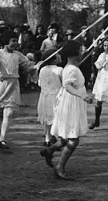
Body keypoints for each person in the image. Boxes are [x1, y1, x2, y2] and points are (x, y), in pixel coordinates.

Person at [39, 40, 93, 180]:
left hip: (71, 102)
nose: (82, 53)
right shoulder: (71, 69)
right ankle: (60, 167)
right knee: (73, 139)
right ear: (76, 53)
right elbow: (67, 86)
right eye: (80, 51)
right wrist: (83, 95)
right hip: (72, 103)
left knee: (65, 137)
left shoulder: (70, 67)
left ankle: (49, 150)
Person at [0, 31, 31, 150]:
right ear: (5, 42)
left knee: (8, 113)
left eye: (16, 40)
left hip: (13, 84)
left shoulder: (18, 54)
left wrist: (38, 66)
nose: (16, 43)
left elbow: (27, 68)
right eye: (13, 41)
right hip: (0, 84)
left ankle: (2, 139)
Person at [37, 48, 63, 147]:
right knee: (57, 118)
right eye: (58, 55)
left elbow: (40, 84)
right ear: (54, 58)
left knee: (48, 118)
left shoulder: (42, 69)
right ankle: (56, 137)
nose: (60, 56)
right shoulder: (59, 70)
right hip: (57, 97)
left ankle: (47, 138)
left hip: (44, 96)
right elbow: (64, 84)